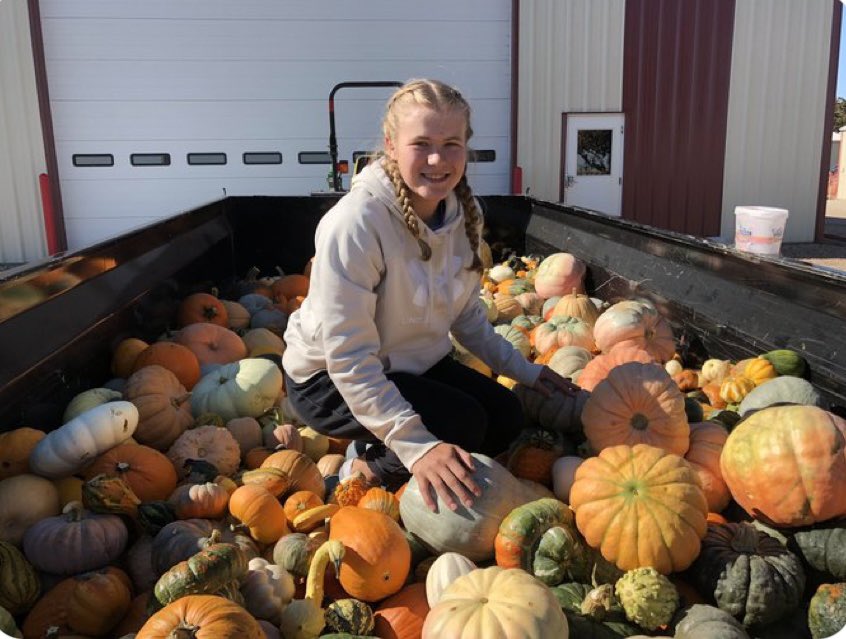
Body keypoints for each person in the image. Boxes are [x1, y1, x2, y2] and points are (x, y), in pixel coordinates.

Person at [282, 79, 577, 512]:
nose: (438, 160)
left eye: (451, 144)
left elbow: (466, 315)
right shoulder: (356, 224)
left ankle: (380, 448)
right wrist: (416, 446)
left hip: (412, 363)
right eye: (421, 143)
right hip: (331, 380)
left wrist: (527, 371)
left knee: (506, 416)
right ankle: (363, 470)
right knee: (464, 425)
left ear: (466, 146)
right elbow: (348, 359)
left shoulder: (462, 212)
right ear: (391, 145)